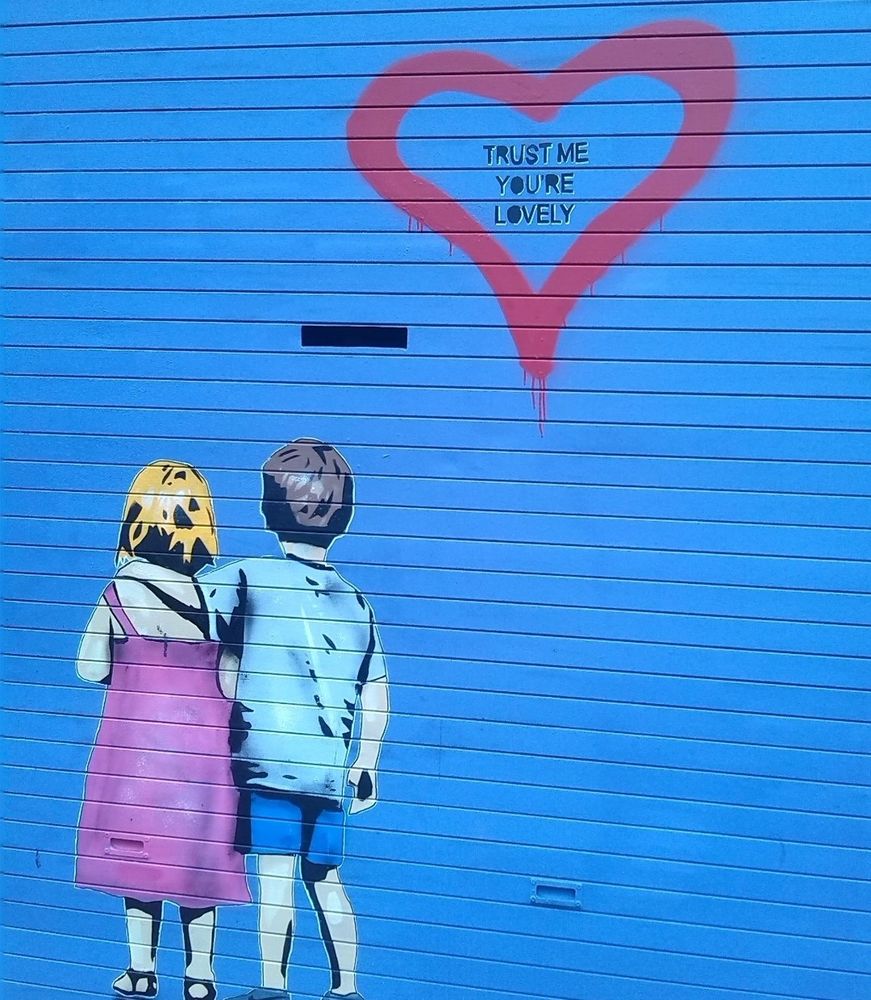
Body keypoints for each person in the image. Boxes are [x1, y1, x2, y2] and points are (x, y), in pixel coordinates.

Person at [207, 439, 389, 1000]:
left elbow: (193, 617)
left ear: (267, 510)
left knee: (277, 879)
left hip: (272, 765)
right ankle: (346, 988)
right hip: (330, 770)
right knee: (327, 880)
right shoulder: (355, 601)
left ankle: (272, 987)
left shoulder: (245, 577)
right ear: (346, 516)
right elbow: (376, 687)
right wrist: (366, 761)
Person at [76, 461, 251, 1000]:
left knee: (139, 867)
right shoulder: (214, 600)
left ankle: (142, 970)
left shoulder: (117, 594)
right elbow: (231, 682)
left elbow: (89, 668)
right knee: (197, 871)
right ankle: (200, 976)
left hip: (136, 762)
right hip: (201, 762)